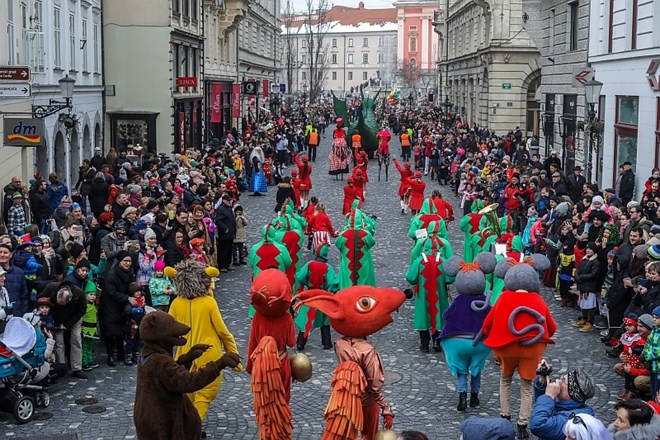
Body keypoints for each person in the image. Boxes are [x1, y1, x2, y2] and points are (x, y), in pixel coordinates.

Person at [530, 361, 596, 440]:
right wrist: (543, 382)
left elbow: (538, 425)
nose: (558, 381)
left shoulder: (573, 421)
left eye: (563, 380)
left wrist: (548, 396)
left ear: (572, 392)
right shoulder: (564, 405)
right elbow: (543, 410)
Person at [101, 250, 136, 366]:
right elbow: (112, 292)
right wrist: (127, 298)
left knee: (122, 329)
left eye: (129, 261)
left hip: (121, 303)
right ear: (120, 261)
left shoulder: (129, 271)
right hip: (110, 304)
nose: (127, 263)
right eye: (125, 261)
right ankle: (110, 356)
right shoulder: (112, 274)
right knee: (111, 331)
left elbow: (132, 286)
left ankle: (121, 353)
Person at [124, 282, 146, 366]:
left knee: (137, 340)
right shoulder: (131, 301)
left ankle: (136, 354)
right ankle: (128, 355)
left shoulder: (141, 300)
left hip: (139, 323)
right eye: (136, 291)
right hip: (131, 325)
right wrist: (137, 310)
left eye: (139, 291)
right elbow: (127, 310)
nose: (138, 293)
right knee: (130, 340)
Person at [214, 194, 236, 273]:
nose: (230, 202)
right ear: (224, 200)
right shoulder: (221, 209)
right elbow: (218, 221)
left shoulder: (229, 208)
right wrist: (224, 228)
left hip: (230, 233)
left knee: (229, 249)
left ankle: (228, 264)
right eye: (228, 201)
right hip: (224, 234)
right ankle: (222, 265)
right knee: (223, 250)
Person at [641, 306, 660, 398]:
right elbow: (648, 343)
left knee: (658, 389)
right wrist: (644, 353)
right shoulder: (654, 330)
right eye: (653, 317)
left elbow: (658, 351)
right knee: (653, 388)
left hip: (658, 366)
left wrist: (648, 355)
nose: (654, 320)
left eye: (657, 318)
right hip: (653, 365)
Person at [81, 281, 99, 371]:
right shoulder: (84, 307)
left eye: (94, 295)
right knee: (84, 347)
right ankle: (84, 363)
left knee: (90, 347)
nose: (93, 296)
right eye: (91, 294)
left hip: (92, 330)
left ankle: (90, 360)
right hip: (85, 330)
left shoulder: (94, 306)